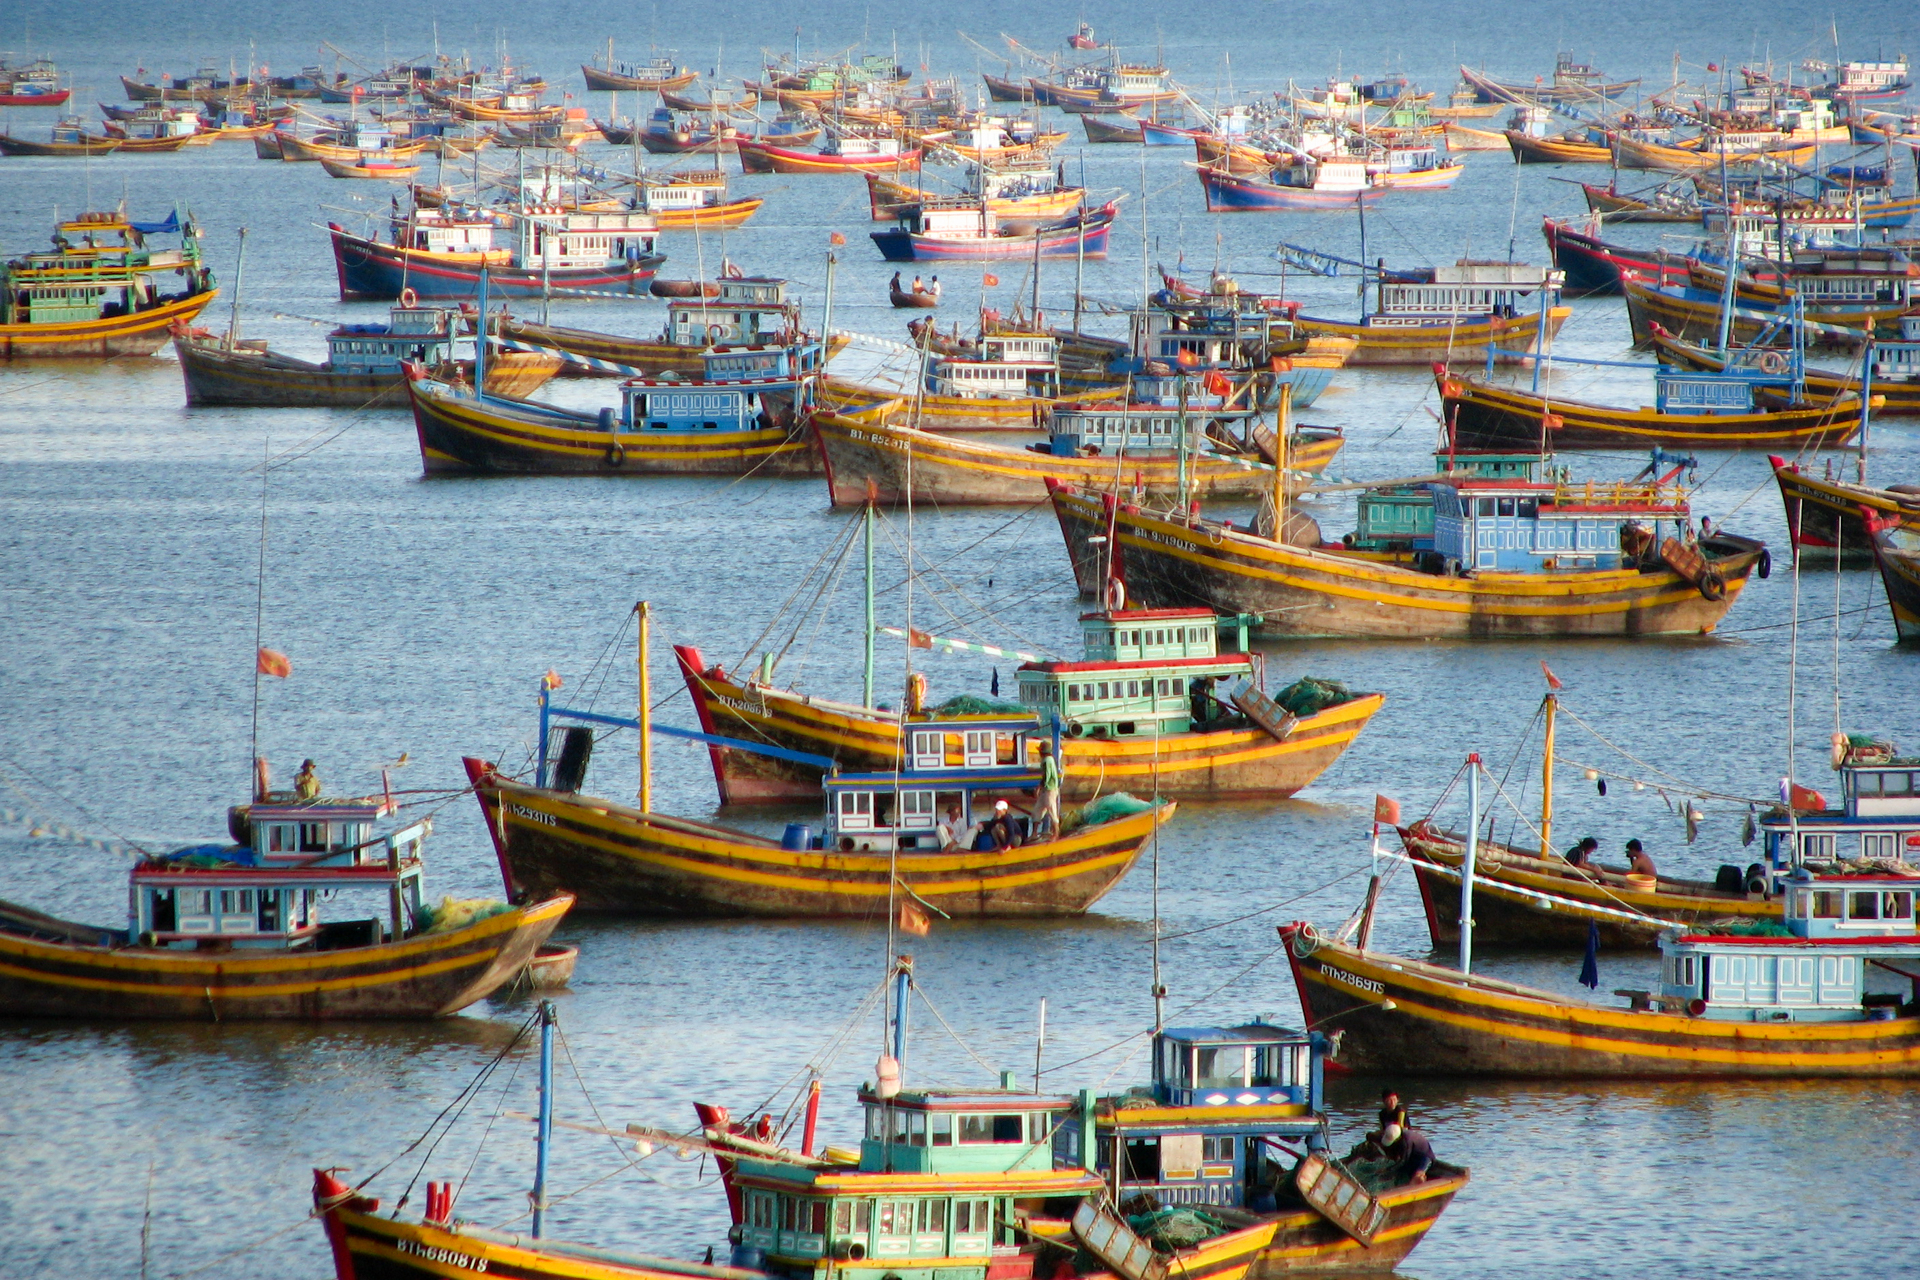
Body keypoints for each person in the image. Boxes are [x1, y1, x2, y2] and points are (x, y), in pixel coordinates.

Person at [1035, 741, 1061, 840]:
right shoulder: (1049, 759)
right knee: (1038, 809)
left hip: (1050, 789)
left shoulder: (1047, 761)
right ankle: (1034, 834)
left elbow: (1047, 775)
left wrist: (1039, 787)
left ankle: (1056, 833)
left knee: (1051, 810)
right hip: (1046, 789)